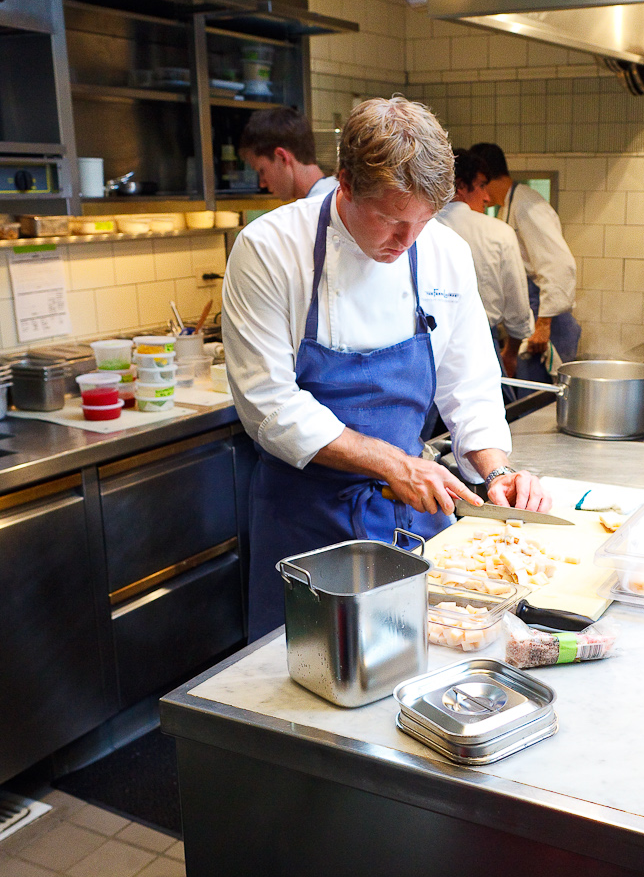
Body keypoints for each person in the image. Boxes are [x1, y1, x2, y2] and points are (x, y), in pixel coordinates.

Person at [222, 97, 552, 639]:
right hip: (307, 525)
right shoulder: (271, 249)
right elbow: (269, 406)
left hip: (412, 521)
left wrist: (496, 472)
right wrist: (394, 464)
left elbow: (469, 382)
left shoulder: (443, 251)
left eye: (422, 222)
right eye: (392, 221)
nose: (408, 241)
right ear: (345, 184)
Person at [468, 142, 581, 383]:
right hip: (534, 318)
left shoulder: (527, 204)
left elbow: (559, 264)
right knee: (532, 402)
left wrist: (543, 324)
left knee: (546, 405)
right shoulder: (508, 206)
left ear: (485, 176)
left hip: (549, 323)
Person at [434, 148, 532, 375]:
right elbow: (517, 309)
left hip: (426, 348)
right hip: (479, 345)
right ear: (459, 185)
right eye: (481, 186)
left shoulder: (417, 229)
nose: (487, 198)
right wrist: (511, 352)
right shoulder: (498, 232)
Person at [238, 106, 338, 202]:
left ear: (282, 158)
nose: (262, 184)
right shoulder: (337, 194)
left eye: (261, 171)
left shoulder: (319, 208)